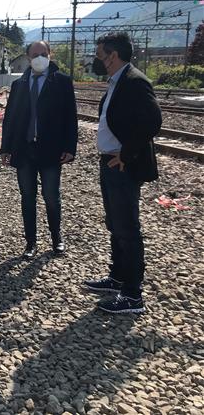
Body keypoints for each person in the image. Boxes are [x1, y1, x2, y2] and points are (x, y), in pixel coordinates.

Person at [84, 32, 161, 314]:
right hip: (110, 162)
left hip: (123, 165)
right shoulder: (118, 81)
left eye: (100, 54)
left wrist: (127, 154)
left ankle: (132, 294)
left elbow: (153, 122)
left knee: (127, 227)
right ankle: (117, 277)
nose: (97, 60)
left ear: (112, 55)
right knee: (115, 223)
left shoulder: (135, 82)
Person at [0, 41, 78, 259]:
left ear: (50, 55)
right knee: (27, 197)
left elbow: (71, 117)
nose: (40, 58)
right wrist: (6, 148)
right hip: (24, 150)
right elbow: (10, 119)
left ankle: (56, 238)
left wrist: (70, 147)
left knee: (52, 196)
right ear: (28, 57)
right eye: (35, 55)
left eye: (44, 54)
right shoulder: (20, 84)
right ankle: (30, 242)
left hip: (51, 150)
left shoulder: (61, 82)